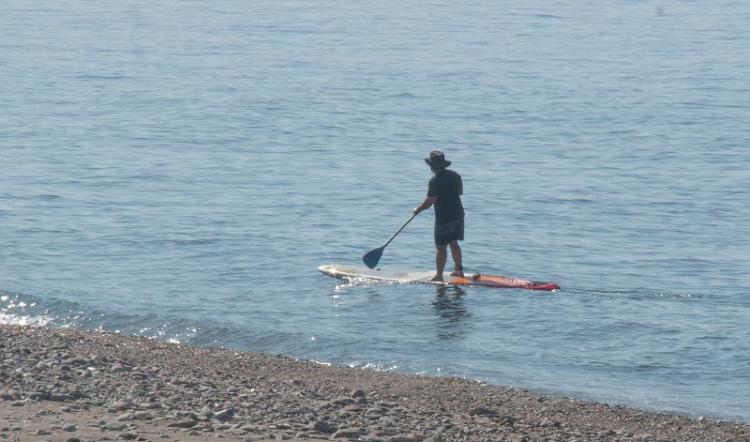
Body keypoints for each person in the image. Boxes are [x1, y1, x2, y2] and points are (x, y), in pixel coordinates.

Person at [413, 150, 465, 281]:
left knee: (441, 248)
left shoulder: (434, 181)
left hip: (444, 218)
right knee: (454, 243)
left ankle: (439, 275)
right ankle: (458, 270)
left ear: (432, 166)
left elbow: (430, 200)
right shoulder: (455, 175)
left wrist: (418, 209)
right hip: (459, 215)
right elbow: (460, 192)